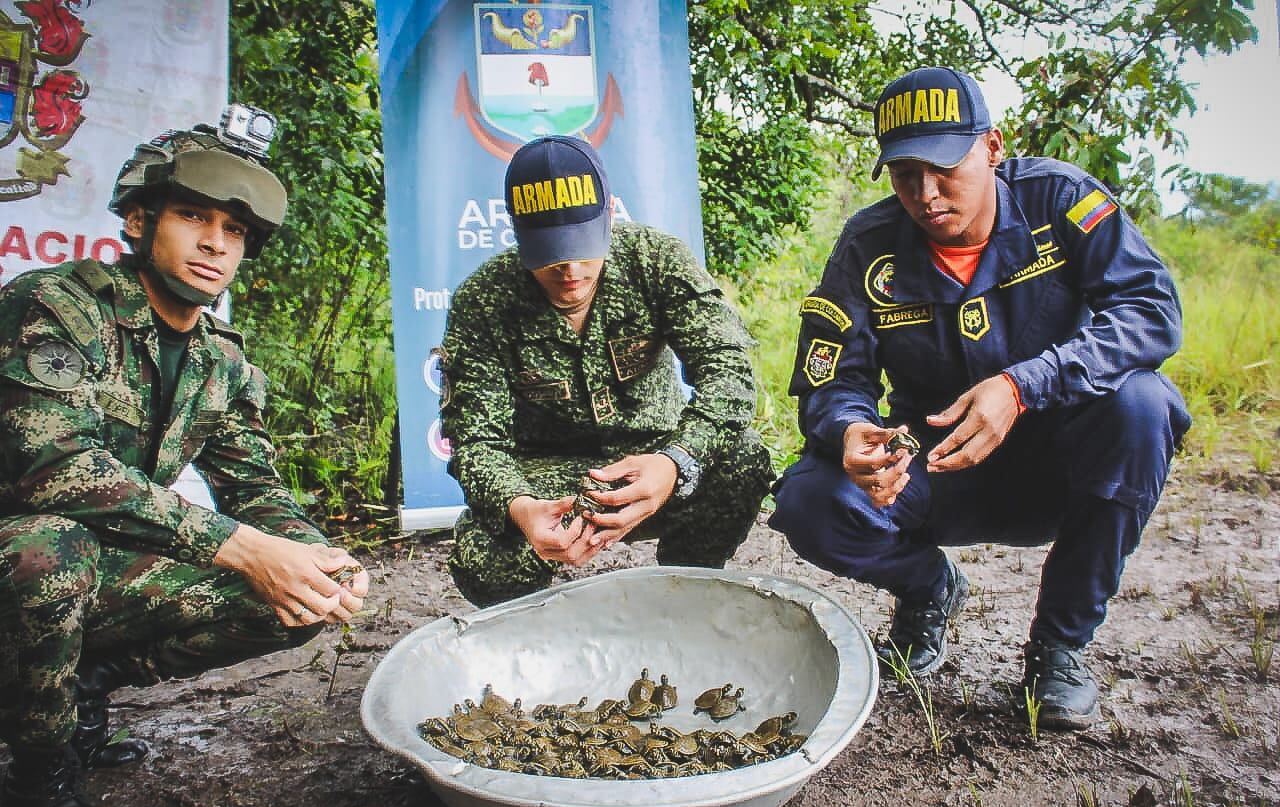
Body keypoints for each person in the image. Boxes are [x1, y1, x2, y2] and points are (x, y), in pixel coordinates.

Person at [769, 67, 1190, 730]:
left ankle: (1058, 650)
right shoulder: (868, 245)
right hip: (937, 467)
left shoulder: (1062, 202)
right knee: (809, 500)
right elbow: (833, 378)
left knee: (1143, 405)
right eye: (905, 174)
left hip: (1064, 462)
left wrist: (1023, 386)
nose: (926, 194)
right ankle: (928, 589)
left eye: (944, 168)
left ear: (993, 147)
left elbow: (1150, 311)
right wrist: (852, 430)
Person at [0, 106, 369, 807]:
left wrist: (315, 554)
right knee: (48, 551)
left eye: (234, 231)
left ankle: (83, 684)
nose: (215, 244)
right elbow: (55, 469)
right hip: (23, 555)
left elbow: (254, 488)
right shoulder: (56, 307)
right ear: (139, 221)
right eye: (194, 216)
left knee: (300, 594)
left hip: (99, 566)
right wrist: (243, 548)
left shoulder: (220, 358)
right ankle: (38, 779)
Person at [440, 135, 773, 607]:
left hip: (657, 459)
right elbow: (476, 442)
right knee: (484, 554)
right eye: (550, 252)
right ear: (516, 231)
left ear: (610, 216)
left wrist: (675, 462)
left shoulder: (656, 260)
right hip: (552, 479)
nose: (569, 268)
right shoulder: (483, 300)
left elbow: (729, 373)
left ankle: (686, 592)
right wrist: (521, 508)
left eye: (582, 246)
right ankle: (536, 628)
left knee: (742, 457)